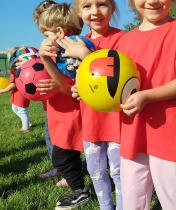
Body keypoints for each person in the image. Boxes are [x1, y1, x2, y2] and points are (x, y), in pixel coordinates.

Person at [117, 0, 176, 209]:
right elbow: (112, 84)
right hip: (132, 133)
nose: (152, 1)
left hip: (169, 133)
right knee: (132, 198)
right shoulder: (125, 41)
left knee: (175, 196)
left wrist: (146, 96)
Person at [62, 0, 125, 209]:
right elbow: (74, 80)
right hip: (91, 122)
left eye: (102, 4)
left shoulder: (124, 39)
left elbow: (116, 78)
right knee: (96, 171)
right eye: (87, 6)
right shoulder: (78, 42)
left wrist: (85, 56)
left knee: (119, 171)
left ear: (113, 8)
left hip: (119, 122)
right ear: (79, 12)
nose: (95, 11)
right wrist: (75, 87)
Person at [37, 3, 91, 209]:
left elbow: (77, 87)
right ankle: (79, 187)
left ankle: (78, 190)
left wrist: (59, 88)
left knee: (65, 156)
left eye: (45, 34)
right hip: (59, 116)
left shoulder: (74, 51)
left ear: (59, 31)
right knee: (63, 156)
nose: (44, 39)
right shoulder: (57, 51)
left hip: (71, 116)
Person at [32, 0, 67, 186]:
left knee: (62, 138)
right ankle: (58, 167)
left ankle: (65, 170)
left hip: (64, 100)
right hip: (49, 102)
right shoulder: (46, 46)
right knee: (50, 134)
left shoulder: (62, 48)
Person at [0, 47, 32, 133]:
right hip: (17, 94)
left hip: (21, 94)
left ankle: (25, 128)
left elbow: (13, 85)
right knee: (14, 108)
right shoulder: (18, 69)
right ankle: (26, 121)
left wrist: (3, 91)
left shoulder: (15, 70)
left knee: (22, 110)